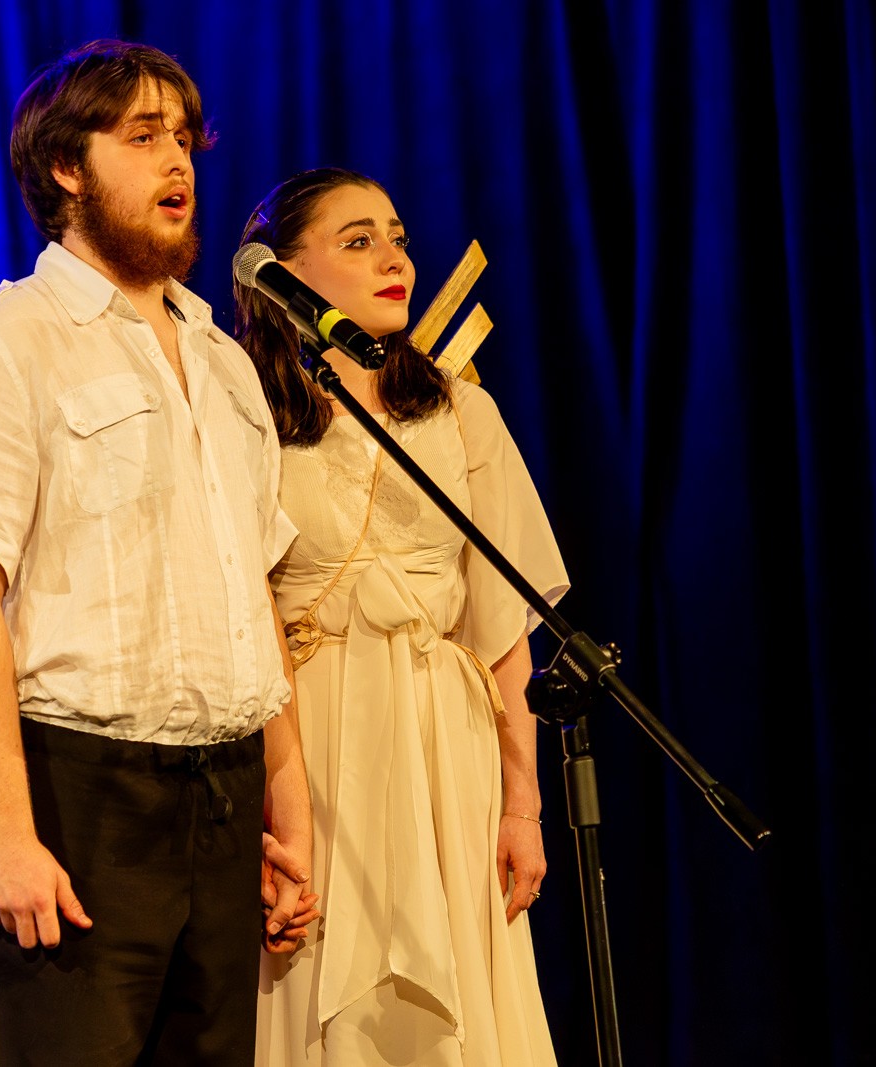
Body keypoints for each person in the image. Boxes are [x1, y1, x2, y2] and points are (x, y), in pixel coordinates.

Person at [0, 40, 315, 1067]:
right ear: (66, 168)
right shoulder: (7, 340)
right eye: (141, 136)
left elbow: (256, 597)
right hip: (79, 793)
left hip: (226, 797)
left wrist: (292, 810)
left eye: (183, 137)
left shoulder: (225, 361)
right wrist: (8, 833)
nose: (177, 159)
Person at [235, 167, 570, 1066]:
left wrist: (524, 806)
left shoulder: (462, 410)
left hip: (447, 739)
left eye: (398, 238)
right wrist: (279, 805)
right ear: (287, 275)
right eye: (358, 241)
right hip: (314, 733)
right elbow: (244, 610)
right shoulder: (251, 418)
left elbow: (502, 628)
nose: (395, 259)